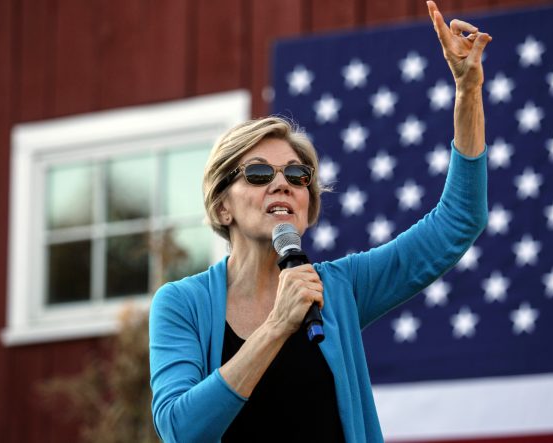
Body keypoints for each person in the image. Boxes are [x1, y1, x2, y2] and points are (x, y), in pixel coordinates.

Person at [149, 1, 492, 441]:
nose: (282, 184)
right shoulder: (181, 305)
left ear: (308, 205)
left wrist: (468, 93)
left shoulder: (340, 289)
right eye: (258, 174)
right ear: (222, 207)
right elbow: (180, 430)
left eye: (296, 175)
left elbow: (459, 220)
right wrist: (278, 324)